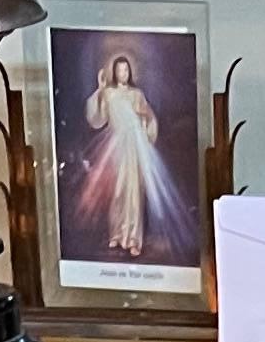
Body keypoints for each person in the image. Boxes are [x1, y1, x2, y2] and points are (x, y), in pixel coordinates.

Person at [73, 51, 190, 264]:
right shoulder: (108, 93)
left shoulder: (137, 94)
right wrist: (99, 90)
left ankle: (134, 239)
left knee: (134, 192)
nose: (122, 73)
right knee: (117, 191)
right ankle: (117, 235)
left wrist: (144, 119)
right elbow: (97, 118)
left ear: (130, 71)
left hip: (135, 144)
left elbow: (149, 117)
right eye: (119, 70)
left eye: (125, 69)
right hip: (116, 144)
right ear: (114, 73)